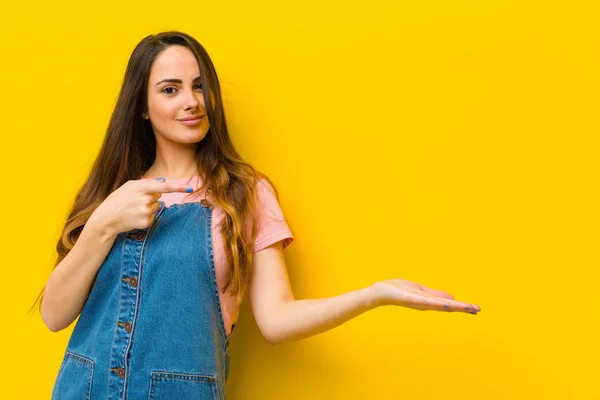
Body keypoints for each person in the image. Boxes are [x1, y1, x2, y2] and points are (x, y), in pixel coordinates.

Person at [30, 31, 482, 399]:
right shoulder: (113, 196)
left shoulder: (245, 195)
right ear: (142, 109)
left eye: (199, 85)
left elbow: (277, 319)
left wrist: (374, 294)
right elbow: (54, 314)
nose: (192, 101)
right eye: (170, 90)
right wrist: (106, 221)